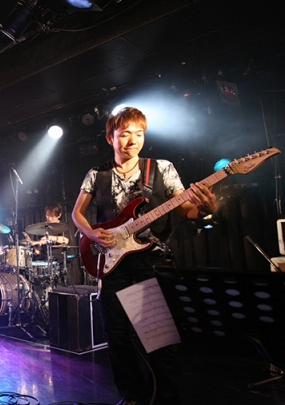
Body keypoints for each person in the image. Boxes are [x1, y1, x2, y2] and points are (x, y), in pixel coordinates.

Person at [71, 107, 217, 405]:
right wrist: (92, 234)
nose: (132, 140)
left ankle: (166, 398)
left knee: (159, 337)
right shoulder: (97, 174)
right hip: (112, 264)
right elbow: (77, 214)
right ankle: (132, 396)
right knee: (117, 337)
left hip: (151, 263)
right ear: (110, 138)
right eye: (125, 134)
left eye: (139, 134)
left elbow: (184, 209)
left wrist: (204, 210)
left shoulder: (161, 168)